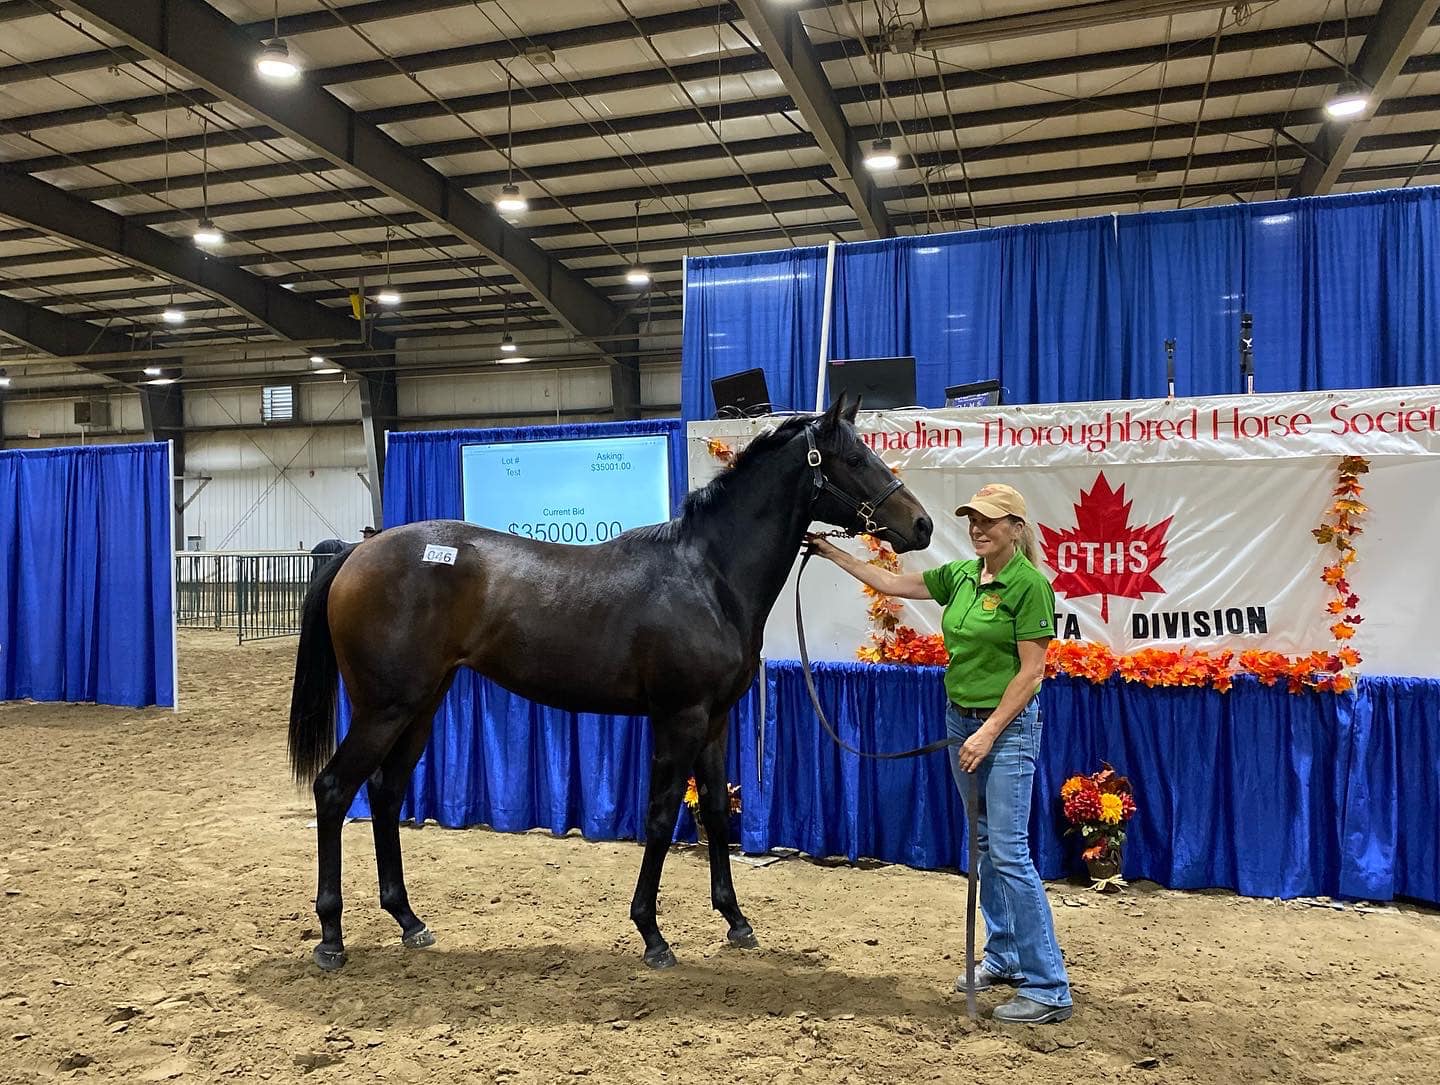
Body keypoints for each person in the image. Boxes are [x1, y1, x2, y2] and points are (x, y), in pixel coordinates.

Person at [806, 482, 1072, 1024]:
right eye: (974, 519)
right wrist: (831, 552)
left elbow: (1032, 672)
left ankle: (1048, 986)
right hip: (960, 723)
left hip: (1006, 730)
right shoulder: (962, 576)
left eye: (990, 521)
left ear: (1016, 529)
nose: (978, 528)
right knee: (982, 843)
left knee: (1010, 852)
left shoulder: (1029, 587)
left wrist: (990, 731)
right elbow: (890, 581)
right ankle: (1004, 956)